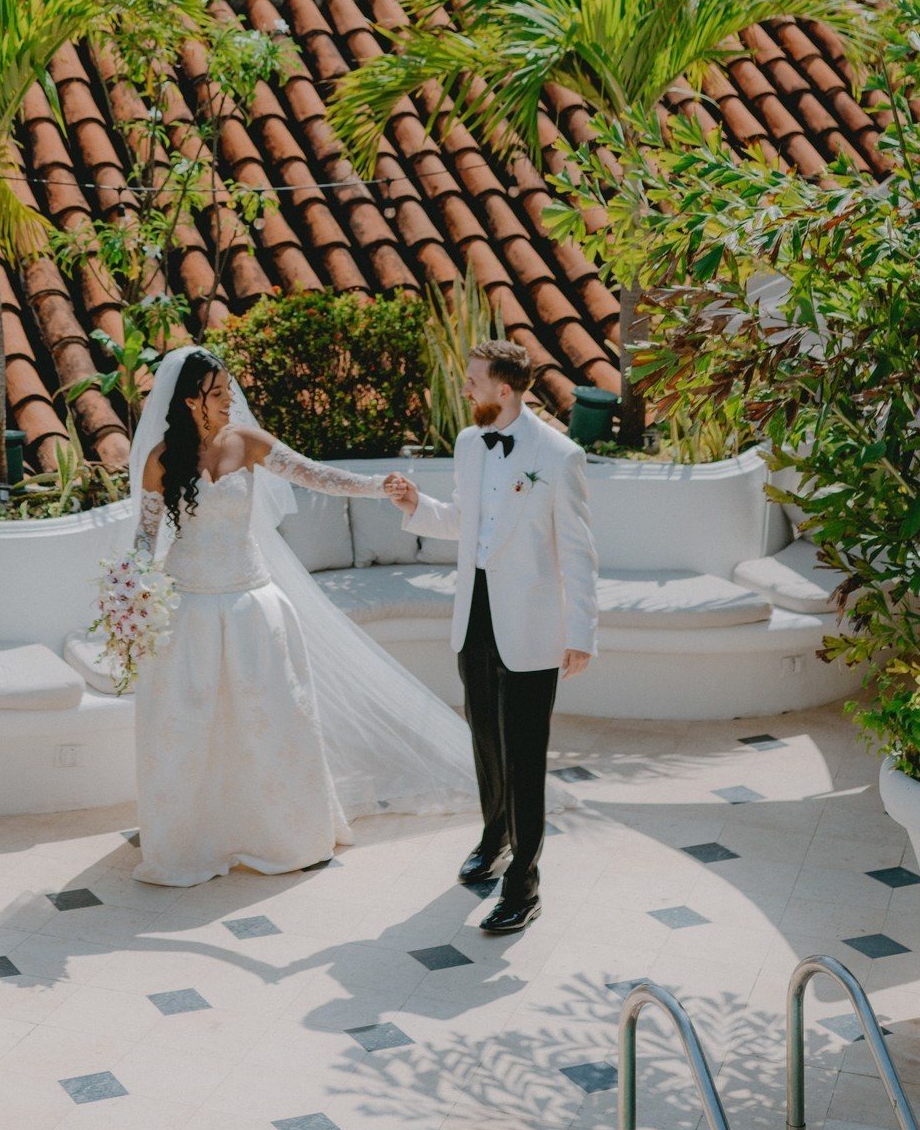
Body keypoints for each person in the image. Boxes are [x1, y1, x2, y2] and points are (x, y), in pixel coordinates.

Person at [127, 345, 476, 888]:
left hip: (250, 602)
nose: (228, 402)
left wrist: (377, 487)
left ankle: (285, 834)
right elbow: (146, 538)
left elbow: (317, 476)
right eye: (217, 394)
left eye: (227, 392)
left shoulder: (247, 443)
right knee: (191, 726)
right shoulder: (162, 457)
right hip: (188, 606)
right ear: (191, 399)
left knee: (273, 718)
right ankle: (193, 839)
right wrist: (128, 598)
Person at [390, 332, 597, 936]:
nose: (465, 387)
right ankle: (494, 838)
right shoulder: (469, 443)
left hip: (532, 625)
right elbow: (464, 521)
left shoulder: (559, 457)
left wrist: (579, 631)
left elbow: (580, 553)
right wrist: (415, 505)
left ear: (503, 390)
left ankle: (524, 885)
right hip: (473, 616)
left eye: (473, 380)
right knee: (486, 742)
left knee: (526, 755)